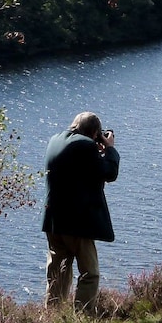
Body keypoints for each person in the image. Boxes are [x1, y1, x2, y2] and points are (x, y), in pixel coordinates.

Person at [42, 111, 120, 312]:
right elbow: (109, 173)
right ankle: (83, 317)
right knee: (89, 273)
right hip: (77, 223)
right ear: (95, 132)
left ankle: (53, 315)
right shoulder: (86, 146)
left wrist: (97, 151)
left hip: (54, 221)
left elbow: (79, 170)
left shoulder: (55, 140)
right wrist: (110, 150)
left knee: (58, 272)